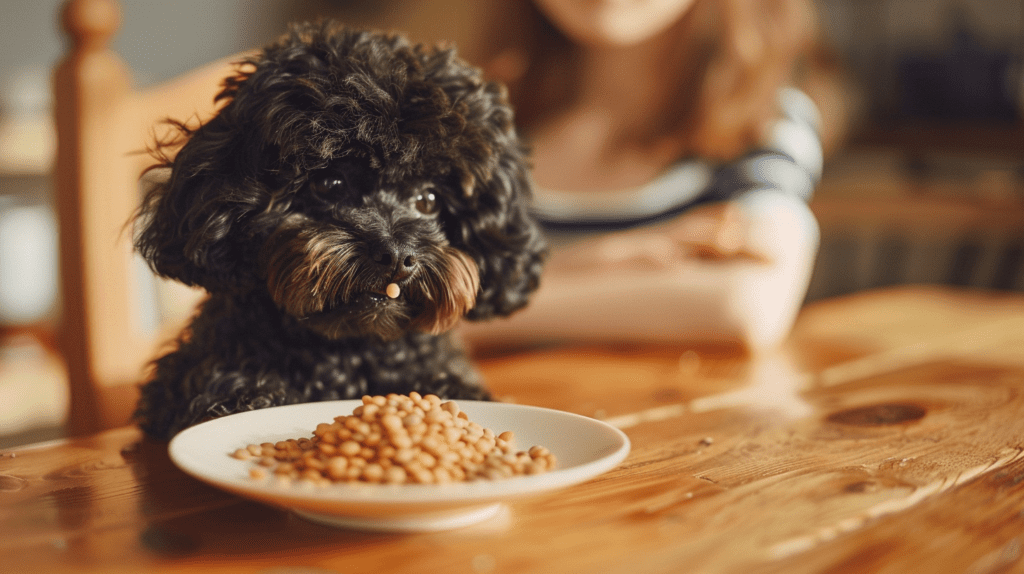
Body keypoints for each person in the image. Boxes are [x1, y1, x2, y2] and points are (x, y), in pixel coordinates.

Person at [457, 0, 854, 352]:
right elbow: (406, 302)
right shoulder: (472, 128)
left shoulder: (761, 122)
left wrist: (475, 310)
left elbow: (746, 304)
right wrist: (592, 259)